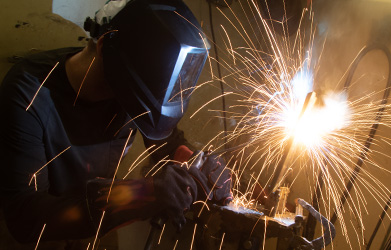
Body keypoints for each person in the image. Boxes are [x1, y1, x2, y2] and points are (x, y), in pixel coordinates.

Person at [0, 0, 232, 248]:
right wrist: (145, 193)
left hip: (97, 230)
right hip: (39, 238)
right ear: (103, 47)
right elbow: (26, 218)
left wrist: (198, 165)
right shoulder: (27, 95)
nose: (126, 108)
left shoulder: (134, 84)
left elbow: (166, 142)